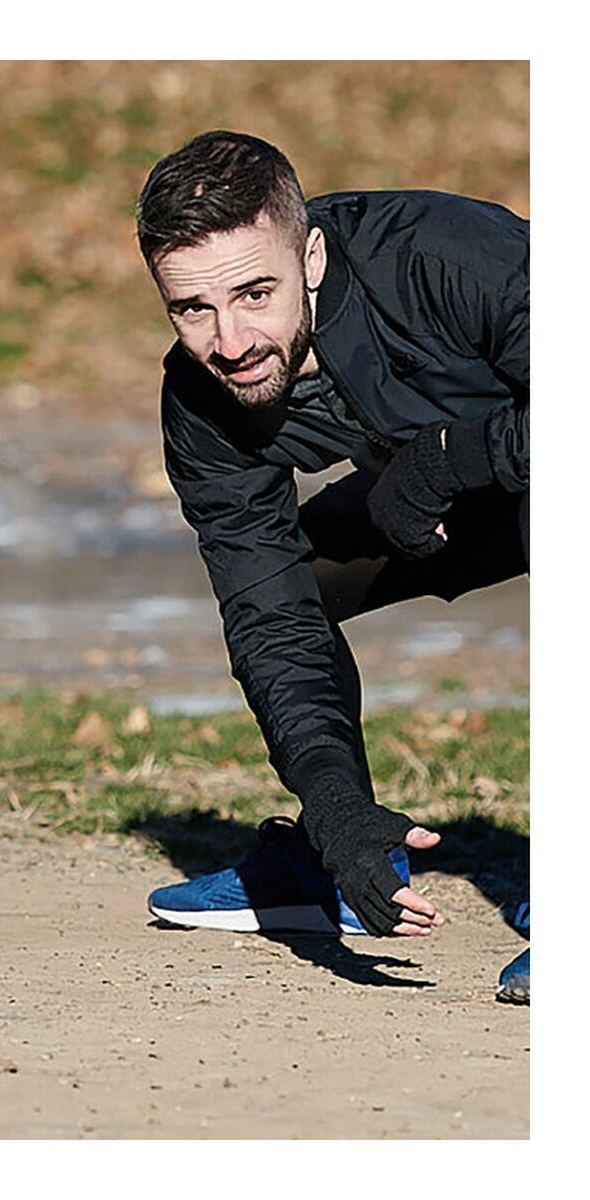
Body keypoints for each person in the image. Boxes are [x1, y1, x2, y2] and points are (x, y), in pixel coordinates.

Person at [135, 131, 529, 1002]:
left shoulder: (445, 258)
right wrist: (333, 806)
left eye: (255, 293)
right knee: (296, 588)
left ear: (310, 256)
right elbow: (267, 613)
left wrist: (449, 461)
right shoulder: (201, 403)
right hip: (448, 500)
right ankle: (337, 864)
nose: (230, 340)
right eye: (192, 308)